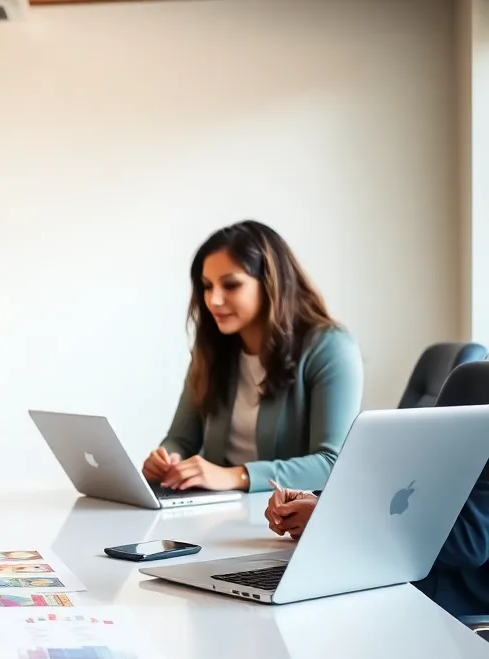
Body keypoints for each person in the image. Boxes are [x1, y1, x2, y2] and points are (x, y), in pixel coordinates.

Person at [141, 220, 363, 493]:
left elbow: (332, 464)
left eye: (231, 285)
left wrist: (237, 476)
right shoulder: (212, 349)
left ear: (271, 284)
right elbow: (180, 439)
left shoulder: (329, 347)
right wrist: (167, 458)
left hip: (283, 520)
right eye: (207, 286)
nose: (213, 300)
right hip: (217, 514)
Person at [266, 366, 489, 618]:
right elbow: (419, 490)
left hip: (447, 597)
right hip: (398, 574)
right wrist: (318, 502)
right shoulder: (471, 380)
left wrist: (334, 518)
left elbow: (471, 543)